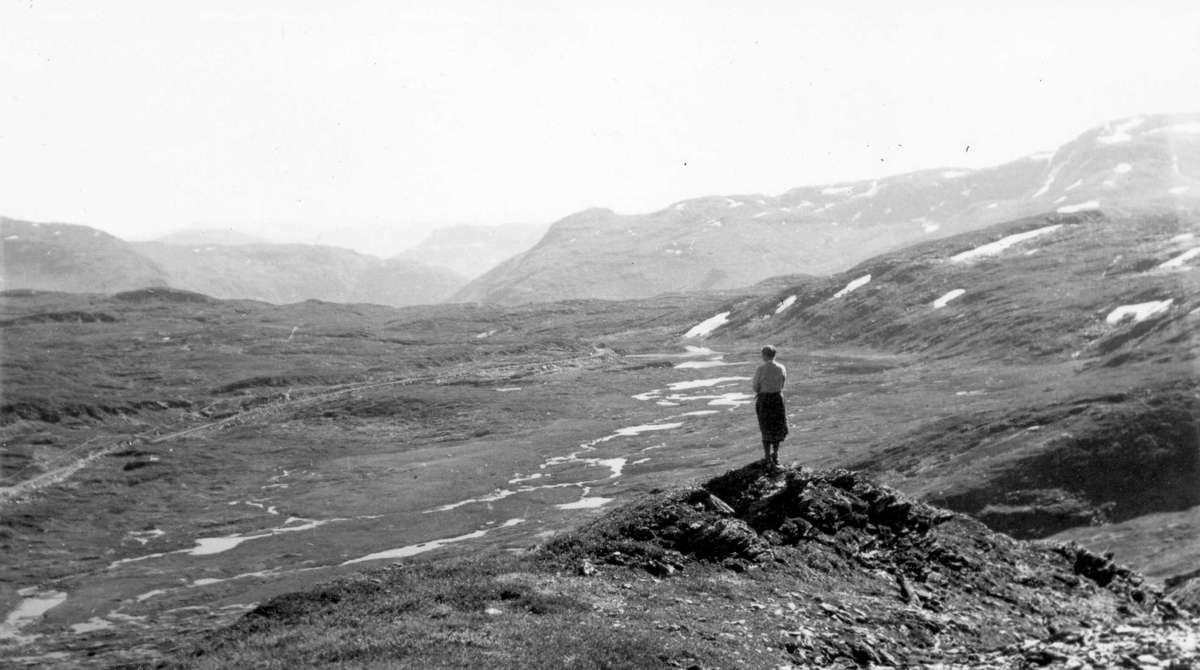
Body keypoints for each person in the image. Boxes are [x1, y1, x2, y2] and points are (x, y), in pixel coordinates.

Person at [752, 345, 788, 466]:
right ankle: (776, 455)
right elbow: (782, 383)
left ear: (764, 355)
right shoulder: (781, 367)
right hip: (777, 399)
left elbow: (755, 387)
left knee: (765, 427)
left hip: (765, 400)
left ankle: (767, 456)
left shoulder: (760, 369)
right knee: (777, 427)